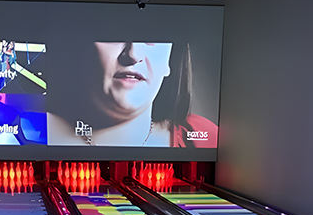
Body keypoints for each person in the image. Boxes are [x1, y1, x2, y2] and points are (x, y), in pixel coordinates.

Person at [47, 40, 217, 148]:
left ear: (169, 61)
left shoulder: (205, 136)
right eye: (114, 35)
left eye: (151, 38)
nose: (133, 55)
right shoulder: (36, 130)